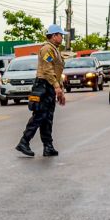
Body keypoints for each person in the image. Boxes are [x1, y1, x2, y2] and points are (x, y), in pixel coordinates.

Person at [16, 25, 67, 157]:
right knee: (40, 115)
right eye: (61, 35)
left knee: (48, 118)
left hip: (49, 85)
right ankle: (24, 142)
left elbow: (57, 71)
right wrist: (56, 86)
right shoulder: (47, 49)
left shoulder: (54, 50)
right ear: (54, 35)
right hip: (43, 85)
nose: (62, 37)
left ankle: (48, 146)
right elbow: (47, 69)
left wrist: (60, 89)